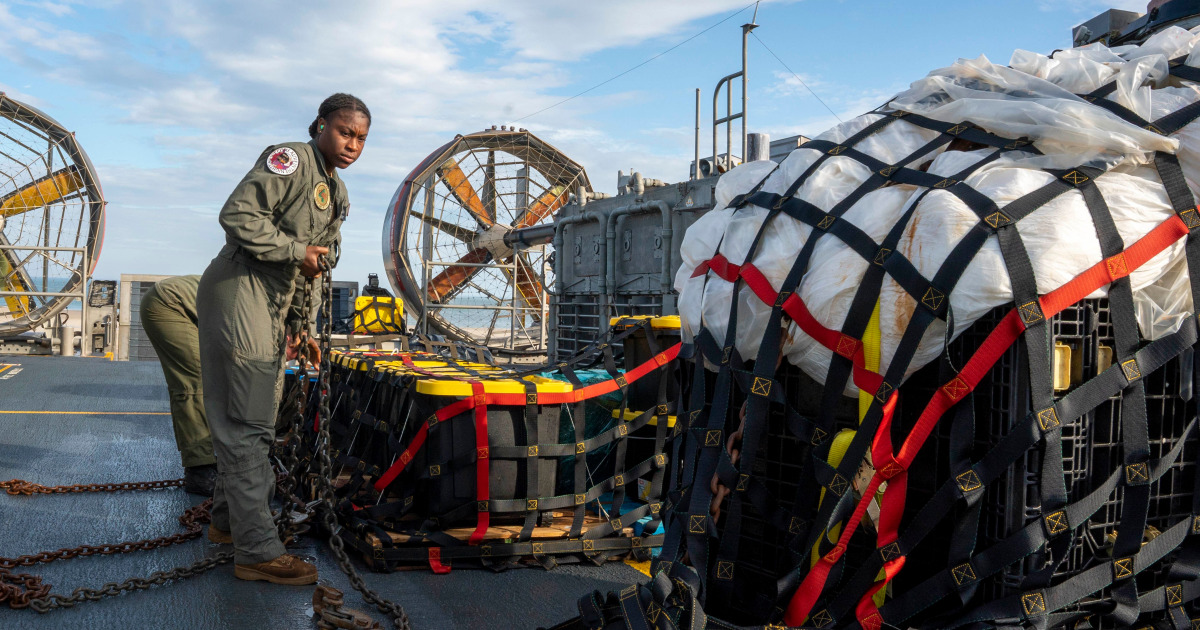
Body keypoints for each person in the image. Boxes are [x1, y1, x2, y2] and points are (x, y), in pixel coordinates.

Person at [197, 93, 369, 585]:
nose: (352, 144)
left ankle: (229, 525)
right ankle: (255, 552)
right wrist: (295, 249)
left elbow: (312, 269)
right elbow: (237, 216)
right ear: (320, 127)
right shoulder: (290, 160)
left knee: (259, 416)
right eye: (344, 132)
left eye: (360, 138)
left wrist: (303, 327)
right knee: (247, 422)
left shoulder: (336, 193)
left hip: (273, 300)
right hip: (241, 286)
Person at [139, 275, 217, 496]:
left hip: (187, 307)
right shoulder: (264, 316)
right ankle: (200, 471)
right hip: (169, 304)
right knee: (195, 382)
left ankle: (212, 457)